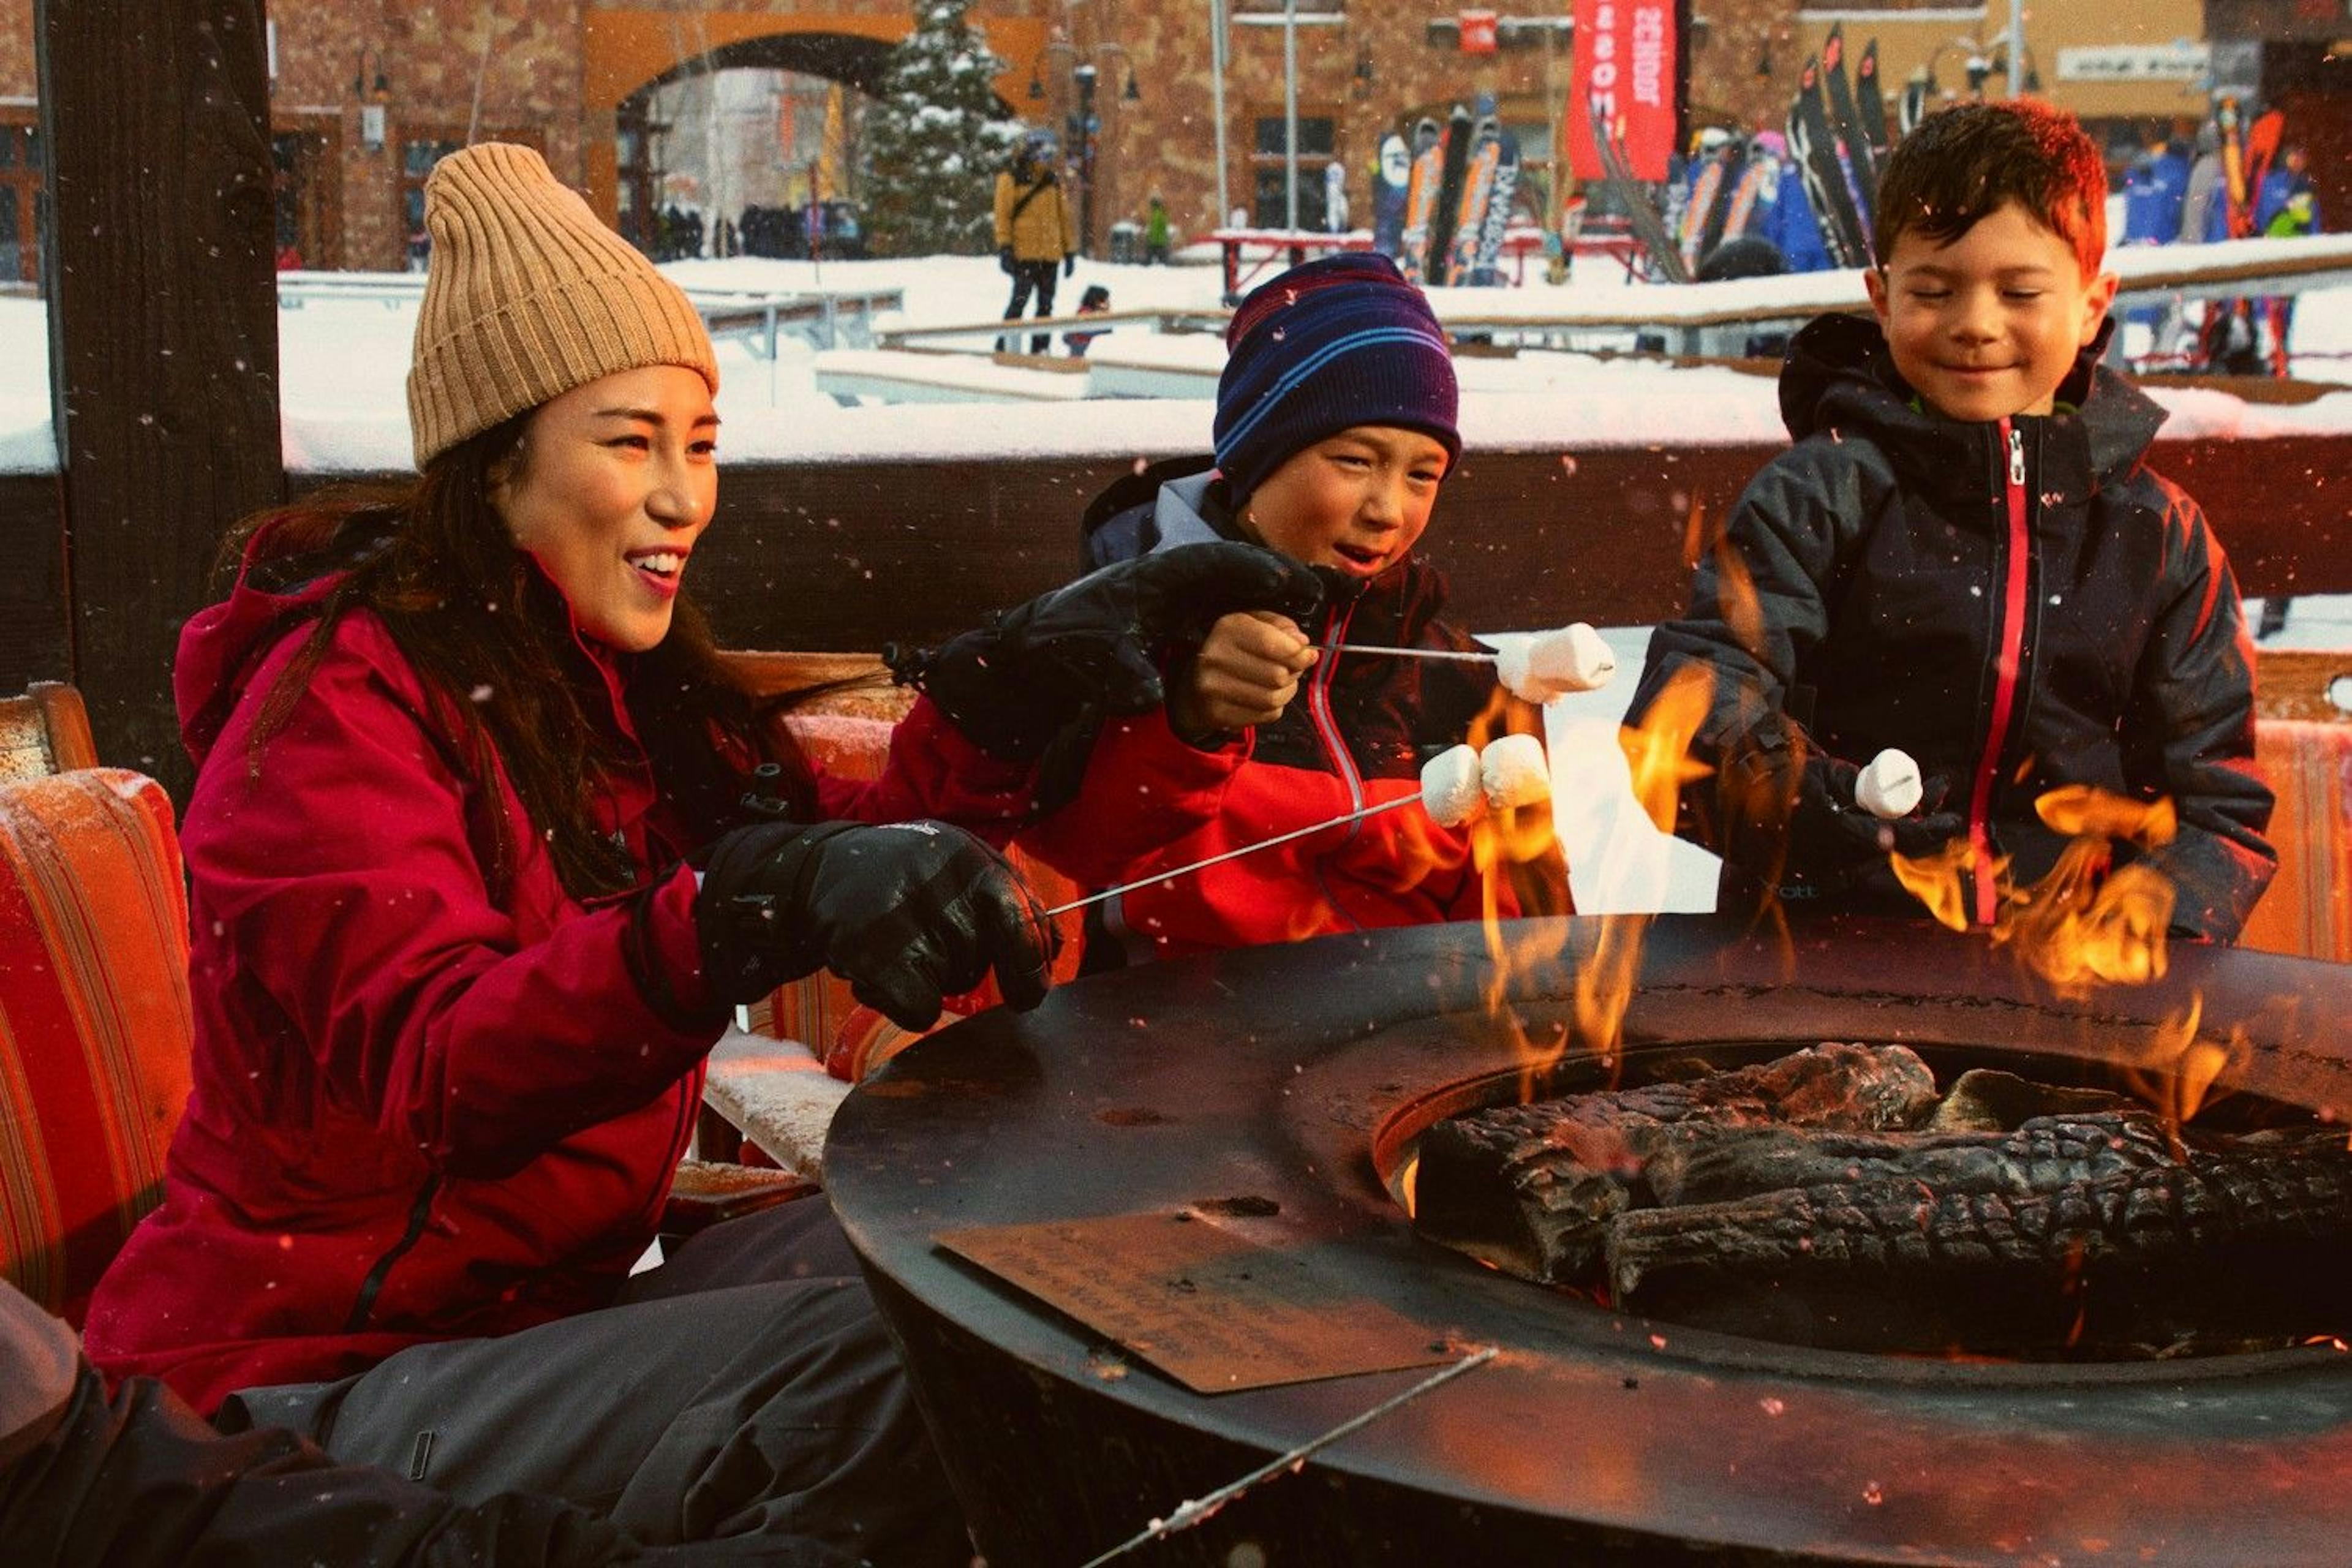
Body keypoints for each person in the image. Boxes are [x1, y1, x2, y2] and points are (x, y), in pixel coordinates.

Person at [79, 143, 1314, 1562]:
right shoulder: (333, 710)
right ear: (496, 464)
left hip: (537, 1318)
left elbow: (860, 849)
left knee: (1021, 1263)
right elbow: (438, 1070)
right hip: (296, 1391)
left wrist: (1009, 687)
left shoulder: (618, 698)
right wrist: (727, 911)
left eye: (702, 442)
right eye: (630, 441)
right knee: (919, 1364)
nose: (683, 497)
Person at [1624, 100, 2275, 948]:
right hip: (1817, 960)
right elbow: (1694, 710)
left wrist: (2153, 931)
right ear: (1883, 297)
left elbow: (2217, 805)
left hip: (2068, 977)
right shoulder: (1820, 495)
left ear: (2091, 304)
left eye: (2020, 291)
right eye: (1934, 291)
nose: (1975, 323)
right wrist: (1838, 808)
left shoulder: (2158, 536)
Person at [1017, 254, 1557, 970]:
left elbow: (1537, 938)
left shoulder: (1457, 673)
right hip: (1183, 1018)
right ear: (1257, 459)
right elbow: (1077, 849)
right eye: (1355, 461)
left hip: (1423, 1018)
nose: (1389, 510)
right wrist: (1186, 720)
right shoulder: (1130, 637)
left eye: (1423, 473)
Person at [2, 1278, 839, 1566]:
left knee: (882, 1303)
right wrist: (691, 948)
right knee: (859, 1374)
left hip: (510, 1321)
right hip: (296, 1380)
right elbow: (445, 1082)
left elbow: (106, 1496)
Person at [994, 132, 1076, 354]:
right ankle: (1005, 346)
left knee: (1046, 306)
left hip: (1050, 255)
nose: (1046, 158)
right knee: (1019, 301)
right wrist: (1005, 247)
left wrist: (1069, 251)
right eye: (1043, 152)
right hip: (1025, 254)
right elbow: (1003, 216)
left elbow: (1063, 218)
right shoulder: (1011, 178)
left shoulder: (1052, 181)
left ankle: (1041, 347)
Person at [1063, 282, 1113, 356]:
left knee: (1078, 358)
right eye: (1105, 300)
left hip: (1082, 341)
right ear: (1096, 301)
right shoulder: (1086, 311)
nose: (1108, 302)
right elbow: (1085, 329)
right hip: (1079, 341)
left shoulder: (1094, 311)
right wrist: (1103, 330)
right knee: (1076, 359)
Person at [1144, 192, 1172, 265]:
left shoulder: (1156, 214)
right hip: (1162, 241)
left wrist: (1150, 238)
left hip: (1156, 242)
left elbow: (1155, 229)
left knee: (1150, 262)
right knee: (1162, 262)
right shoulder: (1162, 213)